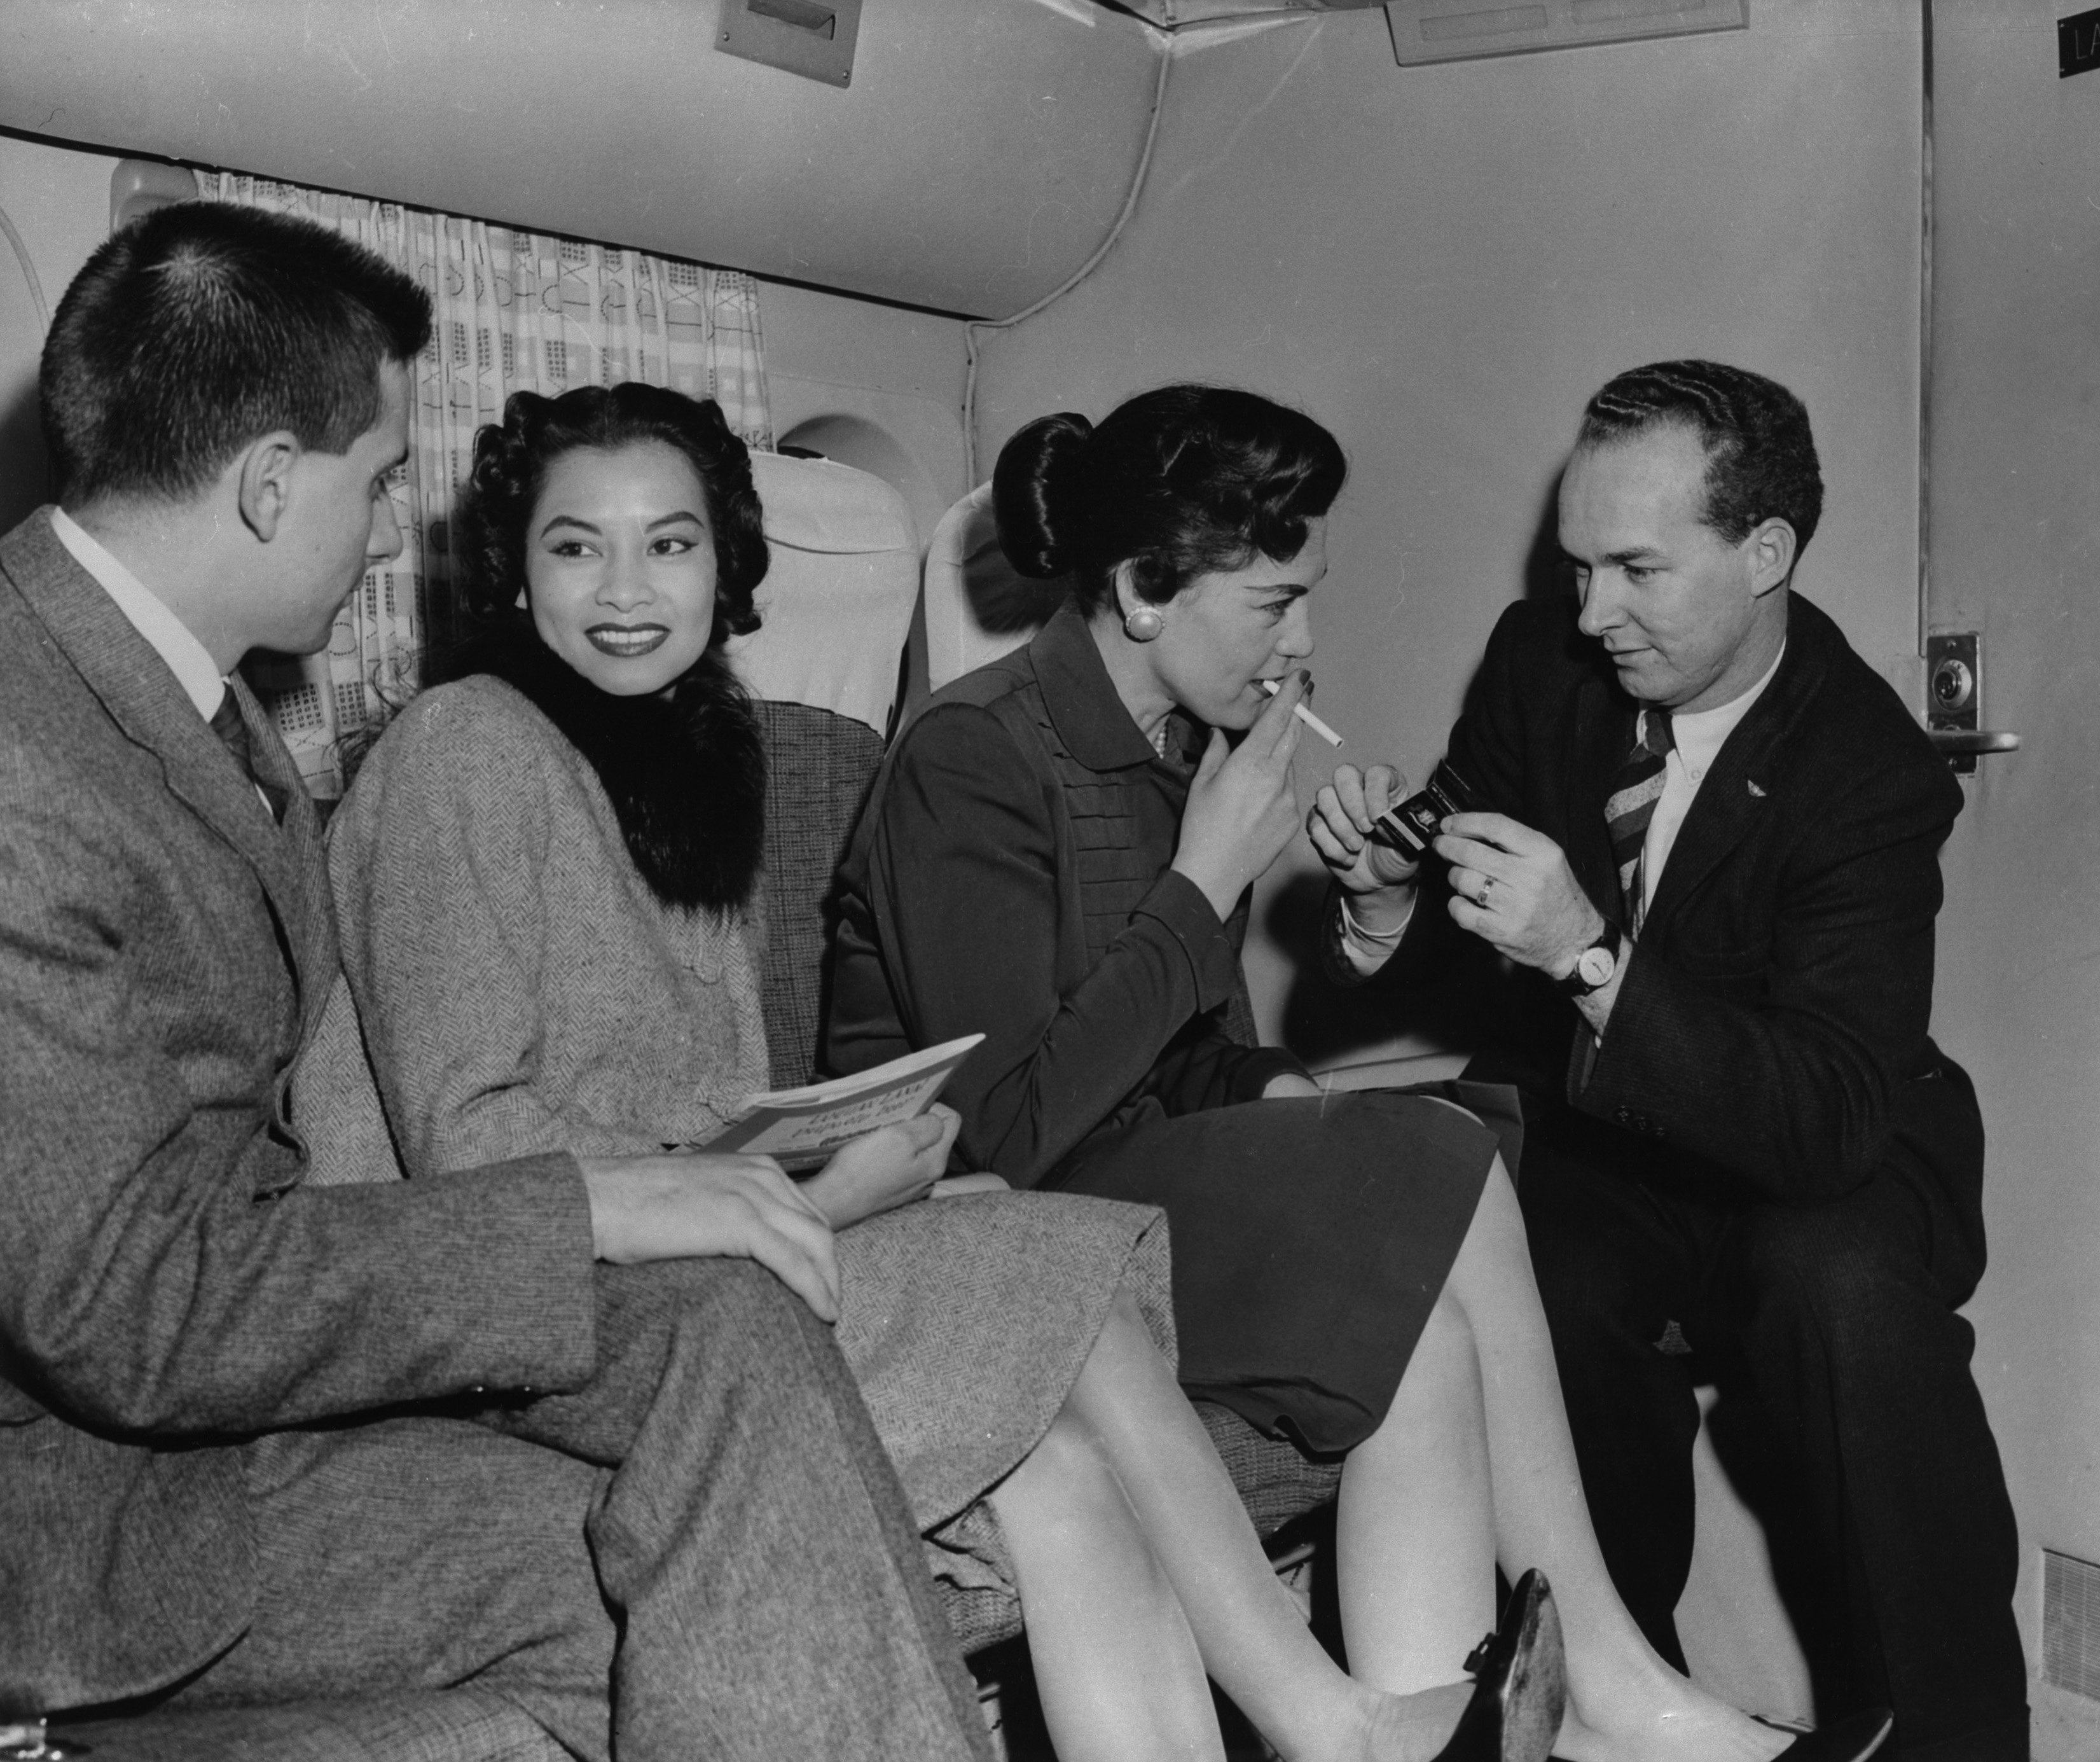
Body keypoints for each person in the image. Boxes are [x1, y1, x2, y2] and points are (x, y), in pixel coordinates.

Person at [317, 378, 1533, 1762]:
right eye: (575, 545)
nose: (627, 591)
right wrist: (818, 1202)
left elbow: (700, 1122)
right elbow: (473, 1162)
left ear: (725, 565)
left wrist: (854, 1177)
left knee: (1052, 1450)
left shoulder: (678, 771)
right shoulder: (465, 744)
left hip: (674, 1258)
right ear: (514, 571)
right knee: (1054, 1269)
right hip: (498, 1306)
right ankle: (1337, 1724)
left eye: (670, 543)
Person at [0, 200, 996, 1762]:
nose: (396, 529)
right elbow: (129, 1306)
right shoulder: (23, 758)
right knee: (715, 1573)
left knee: (731, 1403)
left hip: (225, 1410)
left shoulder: (192, 704)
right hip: (90, 1512)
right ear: (271, 484)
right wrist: (591, 1200)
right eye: (381, 478)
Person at [829, 382, 1885, 1762]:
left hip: (1121, 1192)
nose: (1305, 642)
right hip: (993, 1224)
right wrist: (1206, 881)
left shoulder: (1184, 747)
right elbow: (1012, 1131)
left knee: (1423, 1277)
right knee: (1437, 1157)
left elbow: (1185, 1059)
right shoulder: (971, 754)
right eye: (1275, 603)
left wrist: (1287, 1099)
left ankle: (1470, 1712)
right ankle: (1609, 1677)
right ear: (1143, 592)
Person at [1311, 359, 2026, 1762]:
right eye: (1580, 566)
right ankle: (1612, 1707)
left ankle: (1960, 1736)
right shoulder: (1543, 659)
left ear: (1767, 554)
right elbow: (1469, 871)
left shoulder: (1870, 769)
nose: (1593, 613)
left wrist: (1586, 952)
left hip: (1827, 1141)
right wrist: (1387, 898)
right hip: (1613, 1135)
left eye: (1638, 569)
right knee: (1544, 1281)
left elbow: (1827, 1112)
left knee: (1841, 1290)